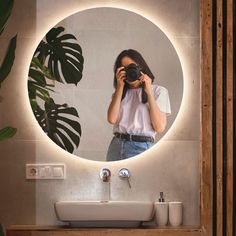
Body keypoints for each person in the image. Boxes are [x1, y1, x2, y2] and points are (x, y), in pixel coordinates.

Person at [106, 49, 171, 161]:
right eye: (125, 69)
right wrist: (120, 87)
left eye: (132, 67)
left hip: (141, 148)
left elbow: (159, 127)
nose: (129, 72)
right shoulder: (119, 94)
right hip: (116, 146)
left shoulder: (158, 91)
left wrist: (149, 92)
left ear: (141, 67)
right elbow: (111, 119)